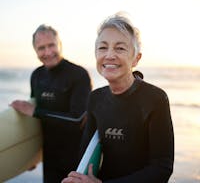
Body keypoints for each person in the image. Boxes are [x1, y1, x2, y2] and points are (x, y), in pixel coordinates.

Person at [61, 13, 174, 183]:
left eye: (120, 48)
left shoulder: (155, 99)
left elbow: (162, 168)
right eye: (102, 48)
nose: (109, 55)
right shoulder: (95, 98)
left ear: (136, 58)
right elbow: (86, 154)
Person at [10, 24, 92, 183]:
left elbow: (78, 120)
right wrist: (31, 155)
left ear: (59, 44)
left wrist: (35, 111)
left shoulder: (78, 75)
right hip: (50, 160)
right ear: (35, 51)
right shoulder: (37, 76)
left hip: (77, 160)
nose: (47, 52)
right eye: (41, 48)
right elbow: (36, 124)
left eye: (51, 45)